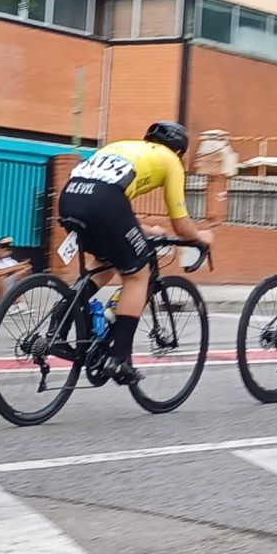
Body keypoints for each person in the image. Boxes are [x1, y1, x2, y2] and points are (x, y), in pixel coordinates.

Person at [58, 121, 214, 385]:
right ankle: (119, 359)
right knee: (138, 275)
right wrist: (202, 236)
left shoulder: (123, 148)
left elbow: (116, 213)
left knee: (105, 264)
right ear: (179, 151)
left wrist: (146, 229)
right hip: (104, 202)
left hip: (70, 197)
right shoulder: (171, 161)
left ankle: (58, 325)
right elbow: (181, 225)